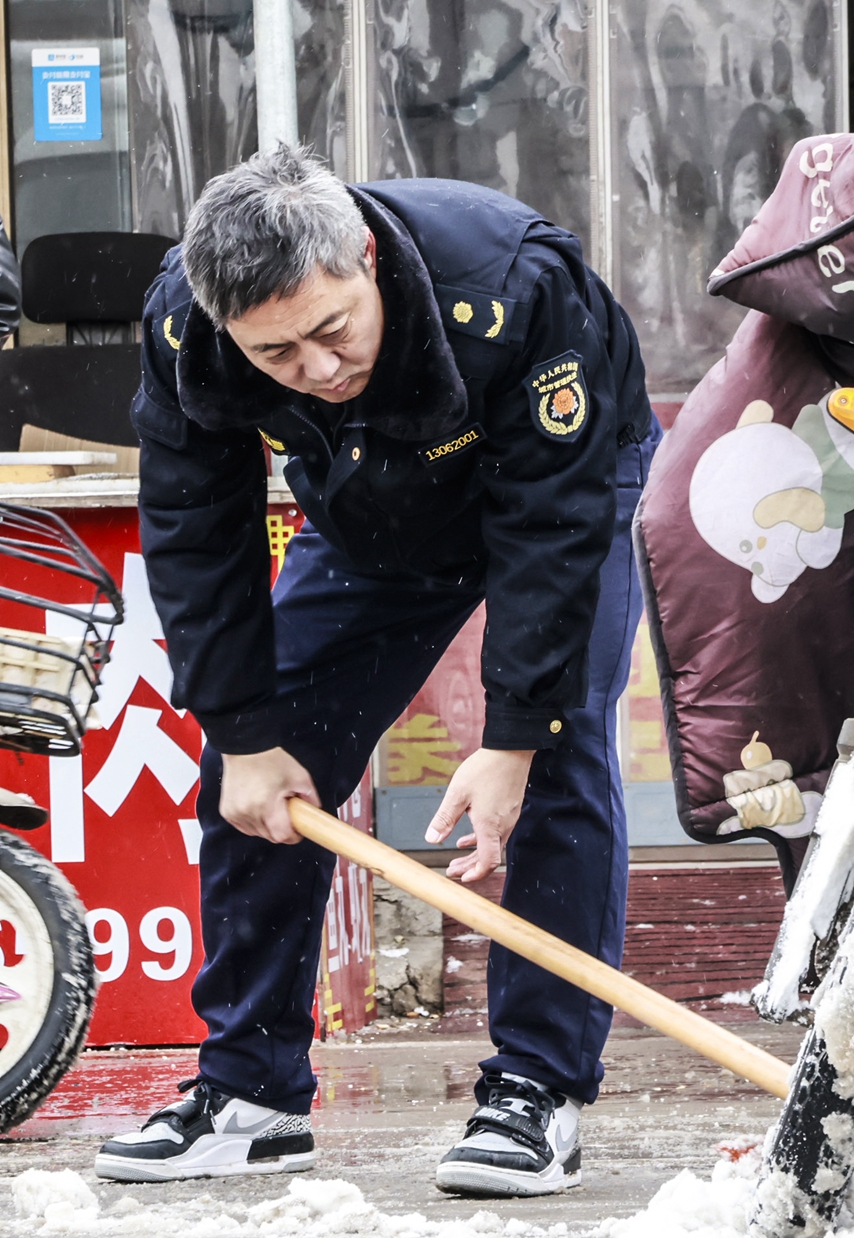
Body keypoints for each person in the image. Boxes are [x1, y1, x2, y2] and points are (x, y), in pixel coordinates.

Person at [93, 145, 659, 1197]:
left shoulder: (511, 283)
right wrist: (244, 731)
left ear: (362, 254)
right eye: (276, 353)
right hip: (370, 503)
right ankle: (250, 1091)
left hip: (552, 484)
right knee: (262, 764)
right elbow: (193, 523)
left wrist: (510, 734)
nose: (311, 368)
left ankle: (536, 1088)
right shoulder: (185, 326)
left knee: (556, 750)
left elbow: (554, 522)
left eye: (330, 330)